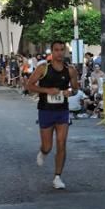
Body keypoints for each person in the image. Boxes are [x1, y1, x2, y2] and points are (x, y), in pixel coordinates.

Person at [26, 40, 80, 190]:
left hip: (62, 111)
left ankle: (57, 177)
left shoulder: (70, 70)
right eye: (56, 50)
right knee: (48, 146)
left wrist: (71, 92)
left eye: (62, 50)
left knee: (62, 143)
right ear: (51, 52)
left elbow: (76, 89)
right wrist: (47, 90)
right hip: (45, 110)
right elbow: (29, 85)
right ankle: (43, 152)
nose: (59, 53)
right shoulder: (43, 68)